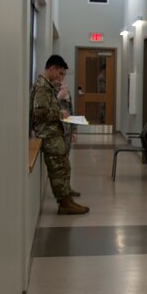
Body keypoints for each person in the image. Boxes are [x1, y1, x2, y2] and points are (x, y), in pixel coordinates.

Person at [30, 55, 89, 215]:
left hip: (55, 136)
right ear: (52, 68)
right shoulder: (42, 87)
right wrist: (60, 113)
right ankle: (64, 204)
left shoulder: (48, 86)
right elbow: (39, 112)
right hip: (49, 136)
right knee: (58, 171)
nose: (60, 77)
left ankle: (67, 200)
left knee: (64, 168)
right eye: (59, 72)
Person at [55, 75, 81, 198]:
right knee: (62, 165)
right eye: (58, 76)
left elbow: (71, 112)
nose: (60, 79)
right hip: (57, 134)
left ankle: (67, 188)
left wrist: (74, 131)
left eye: (62, 76)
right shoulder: (51, 92)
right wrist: (59, 97)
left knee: (67, 163)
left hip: (67, 133)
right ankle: (63, 192)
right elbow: (50, 110)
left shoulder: (67, 92)